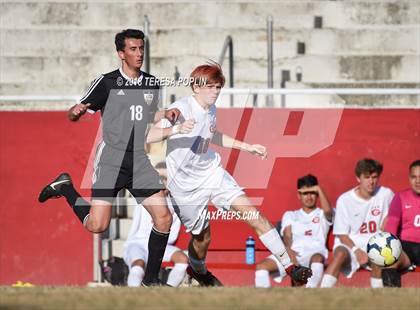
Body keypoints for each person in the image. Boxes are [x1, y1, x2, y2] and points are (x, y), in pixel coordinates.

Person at [147, 62, 312, 286]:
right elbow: (150, 136)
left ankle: (291, 267)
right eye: (210, 87)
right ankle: (198, 270)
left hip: (212, 173)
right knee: (202, 238)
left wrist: (247, 147)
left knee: (252, 214)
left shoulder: (210, 109)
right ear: (195, 87)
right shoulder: (182, 108)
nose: (215, 92)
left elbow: (212, 135)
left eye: (218, 87)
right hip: (184, 186)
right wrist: (176, 129)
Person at [38, 29, 180, 286]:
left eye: (141, 49)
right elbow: (73, 112)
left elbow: (145, 118)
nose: (139, 54)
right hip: (112, 160)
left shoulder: (151, 82)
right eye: (133, 49)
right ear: (121, 54)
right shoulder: (106, 82)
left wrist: (166, 113)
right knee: (97, 225)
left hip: (138, 159)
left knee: (163, 217)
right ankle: (66, 188)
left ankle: (151, 282)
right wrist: (77, 110)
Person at [320, 158, 408, 288]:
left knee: (380, 256)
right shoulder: (345, 200)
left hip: (375, 242)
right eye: (367, 177)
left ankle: (377, 297)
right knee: (339, 255)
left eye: (374, 177)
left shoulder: (386, 194)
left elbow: (397, 215)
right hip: (350, 244)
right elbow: (342, 235)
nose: (371, 181)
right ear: (358, 178)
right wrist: (356, 251)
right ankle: (322, 293)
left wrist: (389, 218)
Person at [255, 174, 333, 288]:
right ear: (299, 195)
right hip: (294, 254)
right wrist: (289, 251)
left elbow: (328, 212)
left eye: (312, 192)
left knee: (317, 258)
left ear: (317, 194)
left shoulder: (322, 214)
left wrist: (319, 188)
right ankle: (262, 301)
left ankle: (311, 292)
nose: (309, 197)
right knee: (261, 267)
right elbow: (287, 236)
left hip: (315, 253)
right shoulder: (290, 215)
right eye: (305, 193)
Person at [124, 162, 188, 287]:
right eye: (161, 179)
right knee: (138, 265)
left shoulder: (175, 204)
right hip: (138, 243)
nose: (164, 183)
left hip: (161, 245)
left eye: (166, 180)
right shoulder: (145, 197)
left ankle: (167, 291)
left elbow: (172, 234)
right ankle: (135, 295)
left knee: (183, 260)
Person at [383, 160, 420, 284]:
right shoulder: (400, 197)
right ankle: (391, 300)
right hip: (406, 247)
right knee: (390, 259)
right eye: (414, 177)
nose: (417, 181)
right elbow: (392, 224)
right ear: (409, 178)